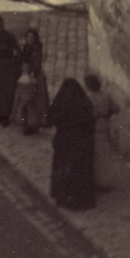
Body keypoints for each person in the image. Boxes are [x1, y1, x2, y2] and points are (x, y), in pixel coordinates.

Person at [48, 77, 96, 210]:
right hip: (82, 144)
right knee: (80, 172)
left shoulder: (61, 103)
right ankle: (80, 202)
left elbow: (51, 117)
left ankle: (62, 197)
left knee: (63, 170)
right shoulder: (85, 103)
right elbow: (91, 122)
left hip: (64, 142)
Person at [84, 73, 119, 191]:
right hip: (104, 126)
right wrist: (107, 114)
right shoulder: (106, 96)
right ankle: (104, 183)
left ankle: (93, 181)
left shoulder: (88, 97)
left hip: (92, 128)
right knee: (104, 155)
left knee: (93, 156)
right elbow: (117, 108)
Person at [12, 28, 50, 134]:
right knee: (25, 100)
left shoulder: (37, 48)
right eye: (28, 37)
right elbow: (23, 59)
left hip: (34, 76)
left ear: (35, 38)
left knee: (34, 101)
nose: (30, 39)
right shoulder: (27, 47)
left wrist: (32, 74)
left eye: (32, 37)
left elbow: (36, 63)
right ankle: (26, 122)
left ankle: (33, 124)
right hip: (26, 74)